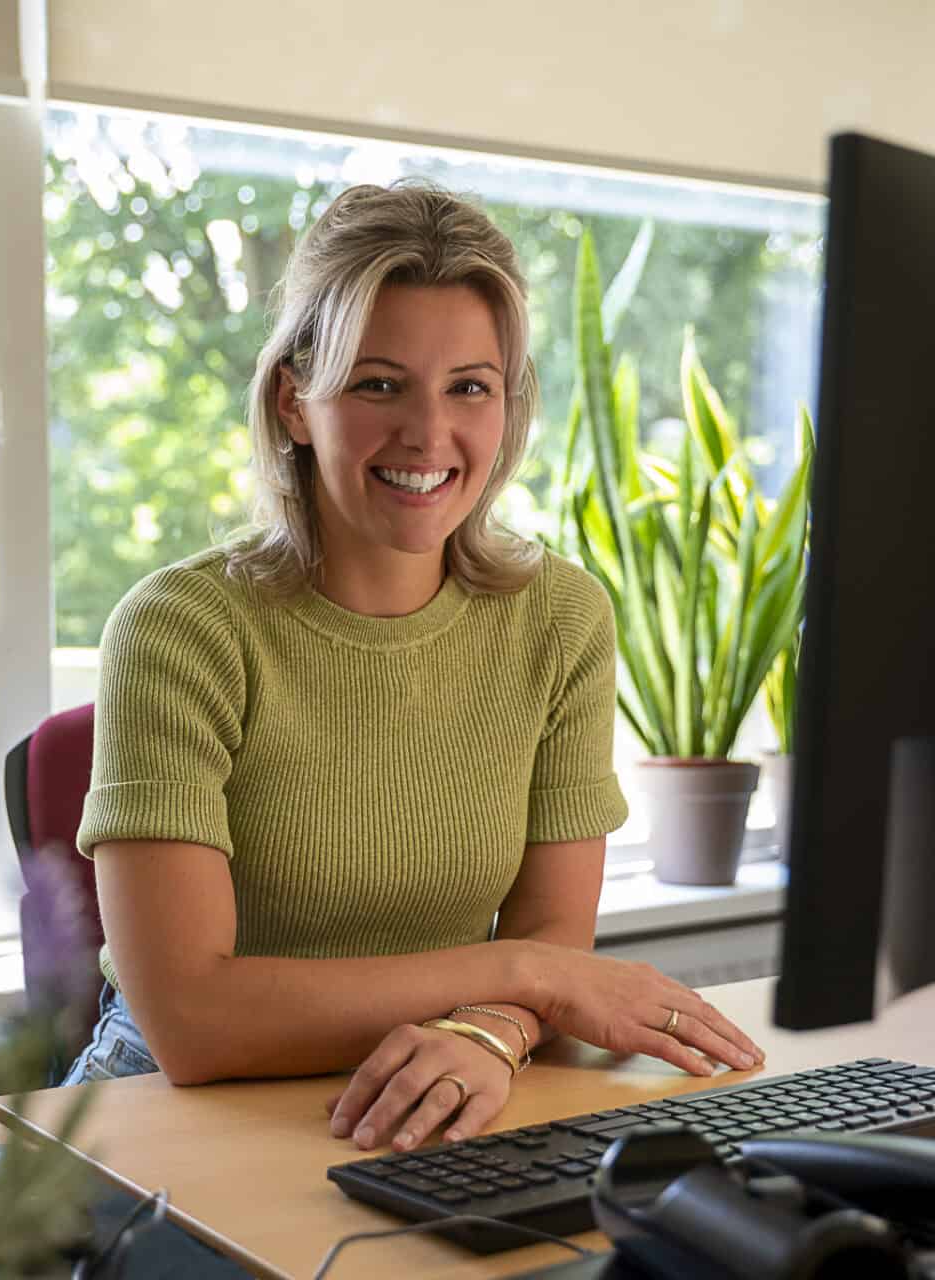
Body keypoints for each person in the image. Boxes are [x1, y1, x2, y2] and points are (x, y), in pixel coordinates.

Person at [61, 180, 764, 1156]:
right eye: (379, 383)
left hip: (437, 1097)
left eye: (469, 386)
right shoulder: (180, 630)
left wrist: (491, 1025)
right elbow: (193, 1020)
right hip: (168, 1124)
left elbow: (551, 933)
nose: (430, 435)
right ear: (294, 402)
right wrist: (527, 983)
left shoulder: (560, 617)